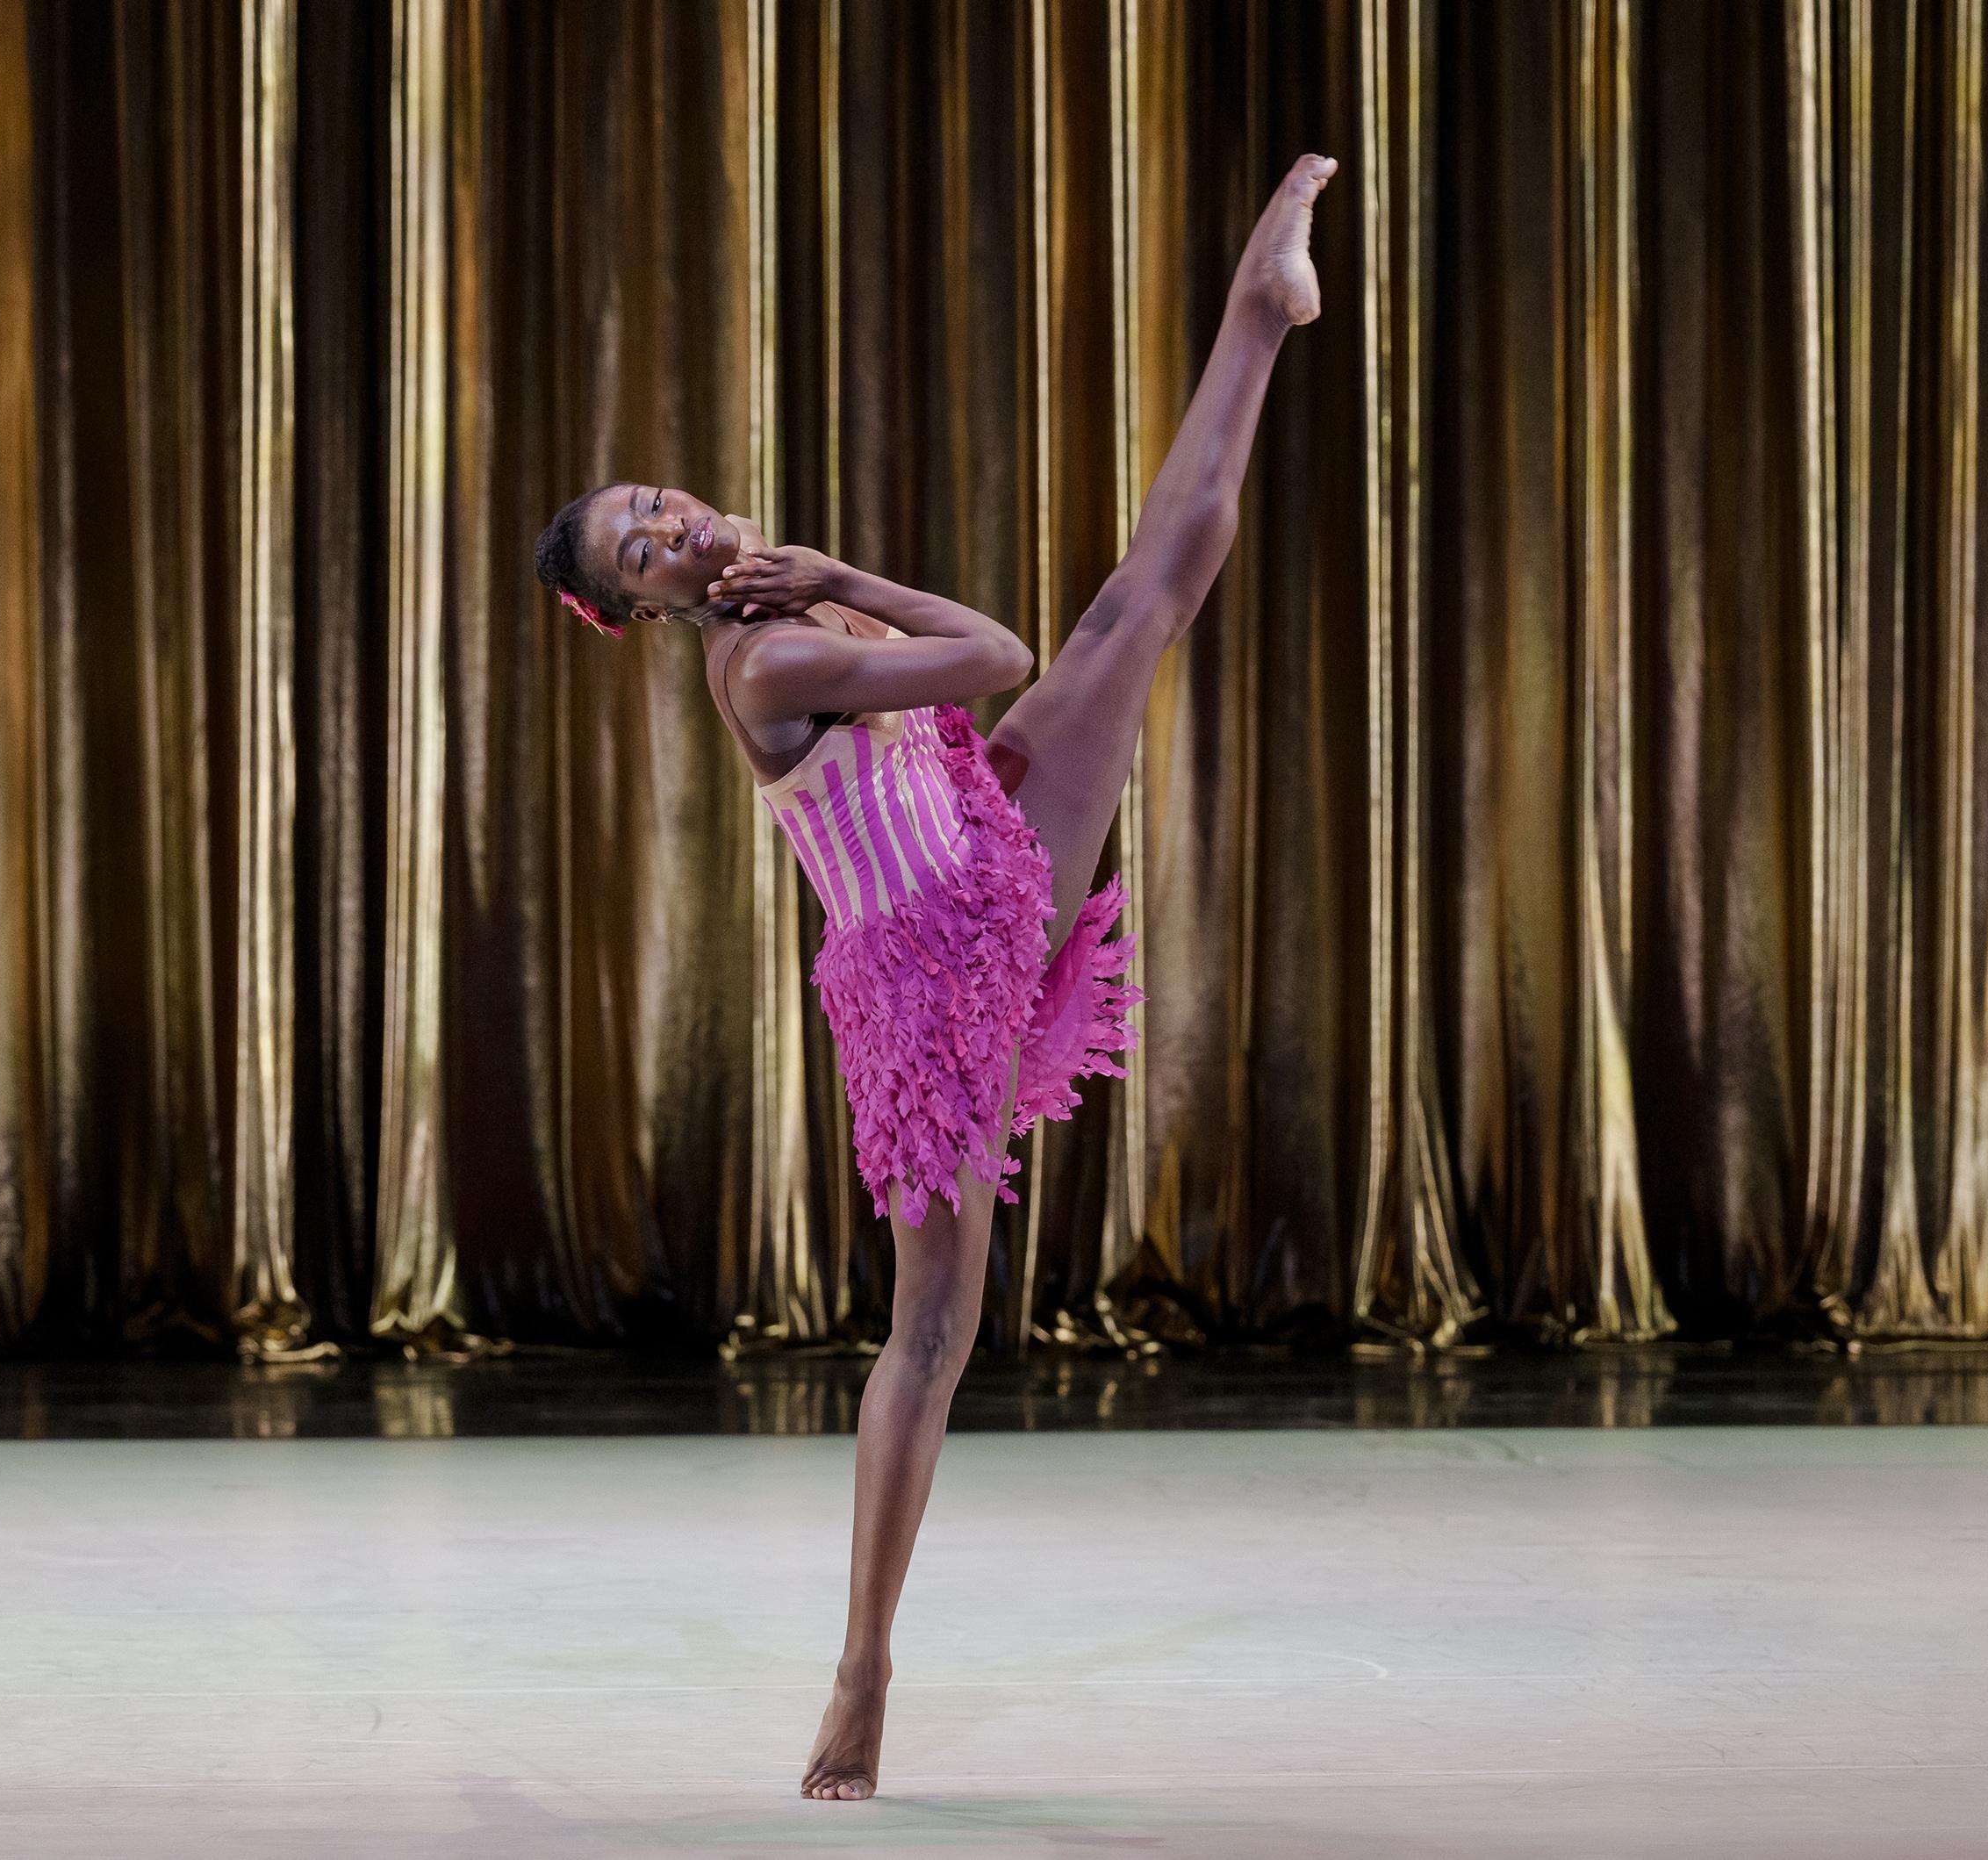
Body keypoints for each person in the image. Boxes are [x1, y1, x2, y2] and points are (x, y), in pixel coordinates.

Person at [528, 152, 1334, 1802]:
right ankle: (863, 1671)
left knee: (1142, 601)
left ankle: (1259, 318)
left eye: (658, 501)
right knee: (936, 1330)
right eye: (645, 548)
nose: (674, 523)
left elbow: (990, 683)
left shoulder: (767, 606)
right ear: (645, 606)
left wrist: (822, 568)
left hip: (971, 838)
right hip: (932, 981)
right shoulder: (761, 649)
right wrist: (829, 575)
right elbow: (990, 655)